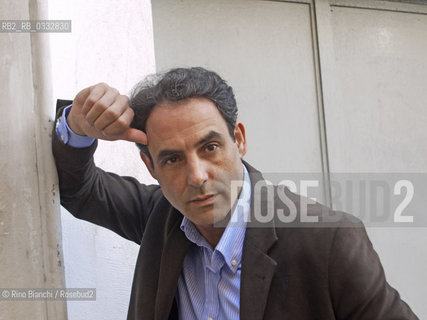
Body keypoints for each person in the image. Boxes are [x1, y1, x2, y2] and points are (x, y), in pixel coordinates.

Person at [52, 67, 418, 319]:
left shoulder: (328, 240)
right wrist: (77, 125)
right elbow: (81, 190)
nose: (197, 177)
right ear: (151, 168)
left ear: (238, 140)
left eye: (209, 148)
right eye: (173, 159)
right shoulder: (160, 217)